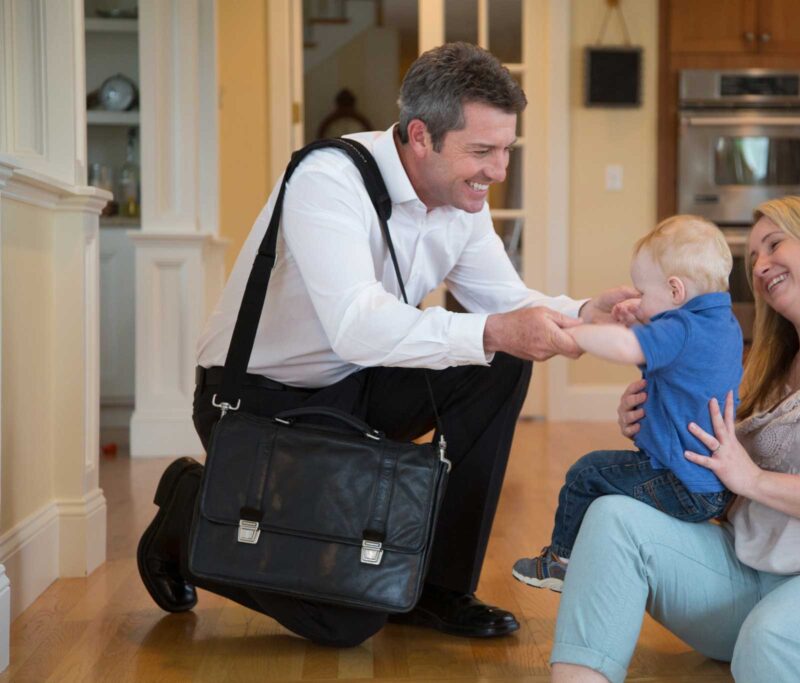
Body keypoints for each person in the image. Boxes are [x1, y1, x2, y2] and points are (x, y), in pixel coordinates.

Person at [136, 42, 634, 648]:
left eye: (506, 149)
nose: (498, 171)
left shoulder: (460, 199)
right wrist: (494, 330)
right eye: (482, 151)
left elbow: (503, 301)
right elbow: (357, 324)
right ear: (420, 136)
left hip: (358, 384)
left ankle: (438, 588)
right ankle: (189, 511)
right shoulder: (327, 179)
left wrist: (585, 313)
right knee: (344, 619)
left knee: (501, 357)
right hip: (260, 401)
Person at [549, 195, 800, 682]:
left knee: (774, 635)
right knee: (612, 514)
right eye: (753, 256)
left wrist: (755, 480)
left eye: (775, 244)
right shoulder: (764, 367)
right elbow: (714, 482)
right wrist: (656, 424)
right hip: (751, 577)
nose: (760, 265)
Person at [511, 215, 742, 592]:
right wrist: (639, 320)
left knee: (586, 474)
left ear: (675, 291)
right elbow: (662, 359)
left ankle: (561, 562)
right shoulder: (721, 326)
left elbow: (627, 348)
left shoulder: (682, 328)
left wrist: (581, 333)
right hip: (712, 488)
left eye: (642, 294)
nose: (637, 301)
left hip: (680, 482)